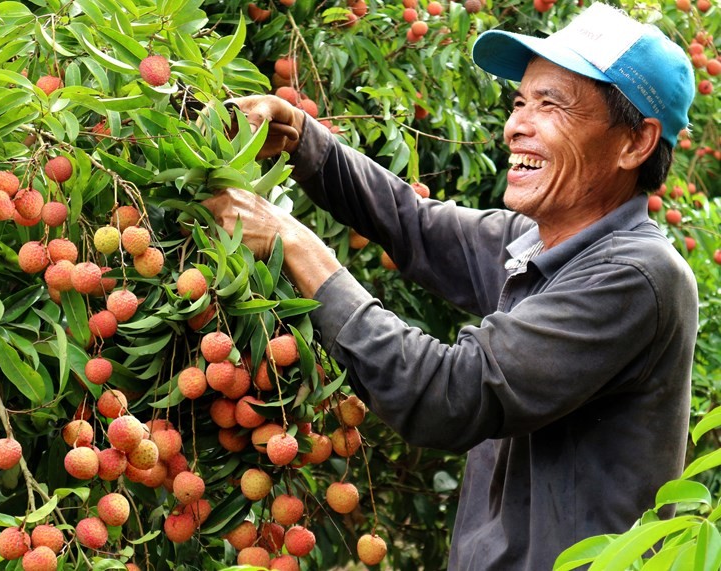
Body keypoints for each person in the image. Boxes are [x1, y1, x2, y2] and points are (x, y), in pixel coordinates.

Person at [204, 3, 698, 569]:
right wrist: (300, 138)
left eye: (551, 105)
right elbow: (411, 221)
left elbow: (449, 395)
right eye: (519, 102)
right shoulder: (541, 242)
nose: (516, 125)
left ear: (635, 144)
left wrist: (294, 244)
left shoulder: (635, 276)